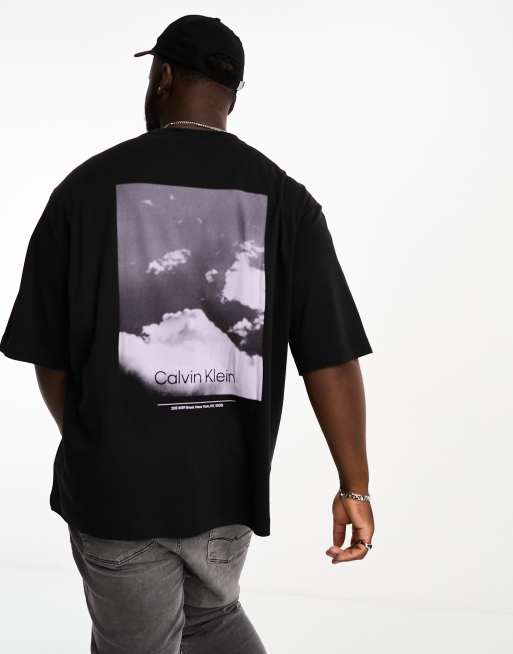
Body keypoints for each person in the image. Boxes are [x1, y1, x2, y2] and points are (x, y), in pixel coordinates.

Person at [0, 14, 375, 654]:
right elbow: (331, 359)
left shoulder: (83, 191)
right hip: (224, 495)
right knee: (209, 618)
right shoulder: (286, 200)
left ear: (164, 77)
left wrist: (98, 437)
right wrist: (354, 487)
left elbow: (49, 357)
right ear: (232, 96)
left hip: (118, 495)